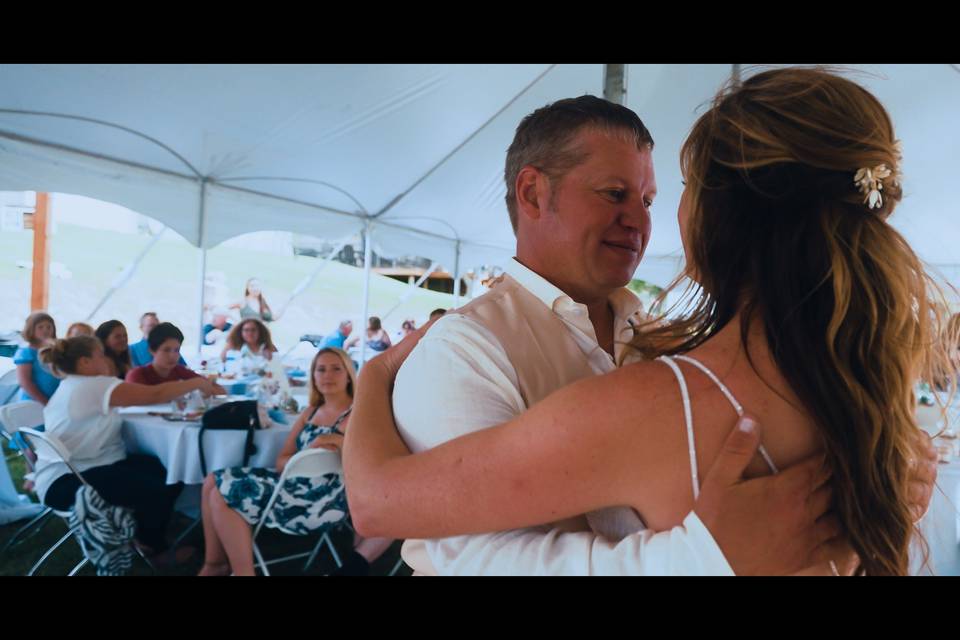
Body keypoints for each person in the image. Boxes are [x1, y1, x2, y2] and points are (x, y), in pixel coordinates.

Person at [344, 75, 943, 576]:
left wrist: (371, 379)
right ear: (532, 192)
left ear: (718, 212)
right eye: (613, 193)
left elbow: (379, 500)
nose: (639, 221)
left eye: (658, 198)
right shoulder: (466, 346)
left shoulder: (662, 376)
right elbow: (471, 560)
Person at [197, 347, 392, 576]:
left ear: (348, 375)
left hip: (323, 502)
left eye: (336, 369)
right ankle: (215, 563)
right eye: (321, 370)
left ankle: (242, 572)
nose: (328, 375)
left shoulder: (357, 414)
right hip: (289, 484)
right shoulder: (310, 412)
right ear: (313, 377)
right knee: (211, 481)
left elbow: (367, 457)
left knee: (221, 493)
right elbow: (282, 459)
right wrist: (303, 457)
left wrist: (335, 441)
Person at [33, 336, 225, 563]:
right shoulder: (94, 385)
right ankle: (156, 550)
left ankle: (142, 534)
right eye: (100, 355)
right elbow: (153, 394)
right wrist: (195, 383)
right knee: (159, 485)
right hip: (72, 481)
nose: (106, 359)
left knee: (163, 469)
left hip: (64, 473)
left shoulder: (72, 384)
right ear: (85, 362)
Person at [126, 323, 201, 385]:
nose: (172, 355)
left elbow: (204, 382)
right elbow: (152, 396)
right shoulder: (137, 375)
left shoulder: (179, 370)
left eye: (177, 350)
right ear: (152, 350)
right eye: (166, 350)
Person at [14, 312, 60, 405]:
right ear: (31, 329)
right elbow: (25, 382)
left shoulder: (55, 350)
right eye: (40, 327)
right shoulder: (25, 352)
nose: (45, 330)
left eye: (49, 327)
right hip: (34, 403)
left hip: (55, 400)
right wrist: (44, 402)